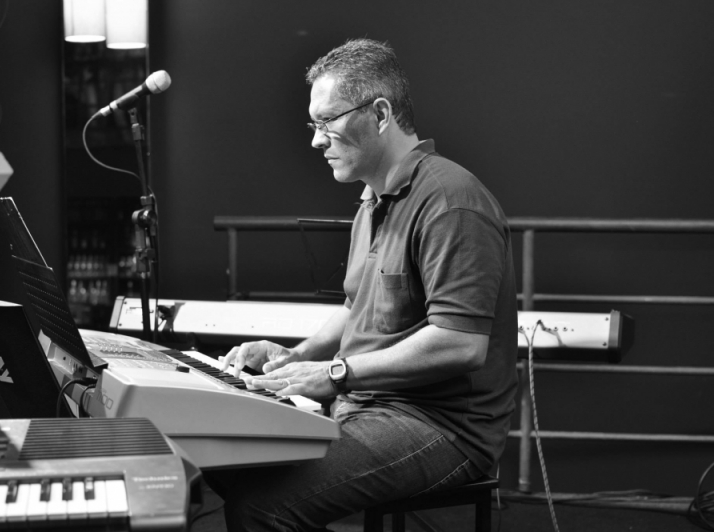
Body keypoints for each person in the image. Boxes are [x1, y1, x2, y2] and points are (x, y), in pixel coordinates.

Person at [212, 38, 519, 532]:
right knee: (230, 466)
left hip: (441, 427)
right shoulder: (372, 199)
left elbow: (460, 343)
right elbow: (358, 307)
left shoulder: (451, 201)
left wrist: (334, 374)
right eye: (313, 125)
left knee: (263, 504)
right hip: (370, 406)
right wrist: (297, 355)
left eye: (327, 122)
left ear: (380, 114)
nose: (316, 140)